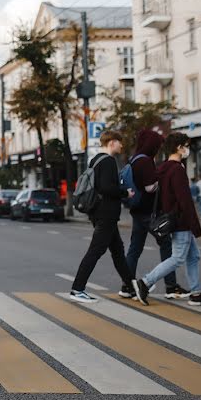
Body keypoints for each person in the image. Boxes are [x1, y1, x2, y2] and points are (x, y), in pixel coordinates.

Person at [133, 133, 201, 307]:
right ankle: (145, 283)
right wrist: (195, 225)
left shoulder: (163, 167)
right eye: (186, 145)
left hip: (174, 219)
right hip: (180, 221)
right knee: (178, 258)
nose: (188, 149)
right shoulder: (177, 169)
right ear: (179, 147)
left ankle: (196, 293)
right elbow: (184, 200)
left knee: (193, 256)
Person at [120, 129, 189, 300]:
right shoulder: (145, 162)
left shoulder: (135, 158)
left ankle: (127, 286)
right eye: (157, 145)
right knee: (166, 245)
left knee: (134, 249)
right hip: (148, 212)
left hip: (138, 211)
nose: (158, 148)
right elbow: (150, 187)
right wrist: (164, 178)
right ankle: (171, 287)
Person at [68, 130, 134, 303]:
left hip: (99, 212)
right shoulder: (109, 161)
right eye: (120, 142)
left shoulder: (95, 160)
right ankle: (77, 289)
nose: (122, 146)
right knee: (96, 250)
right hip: (106, 214)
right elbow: (105, 188)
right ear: (112, 142)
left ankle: (131, 286)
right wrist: (124, 192)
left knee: (117, 251)